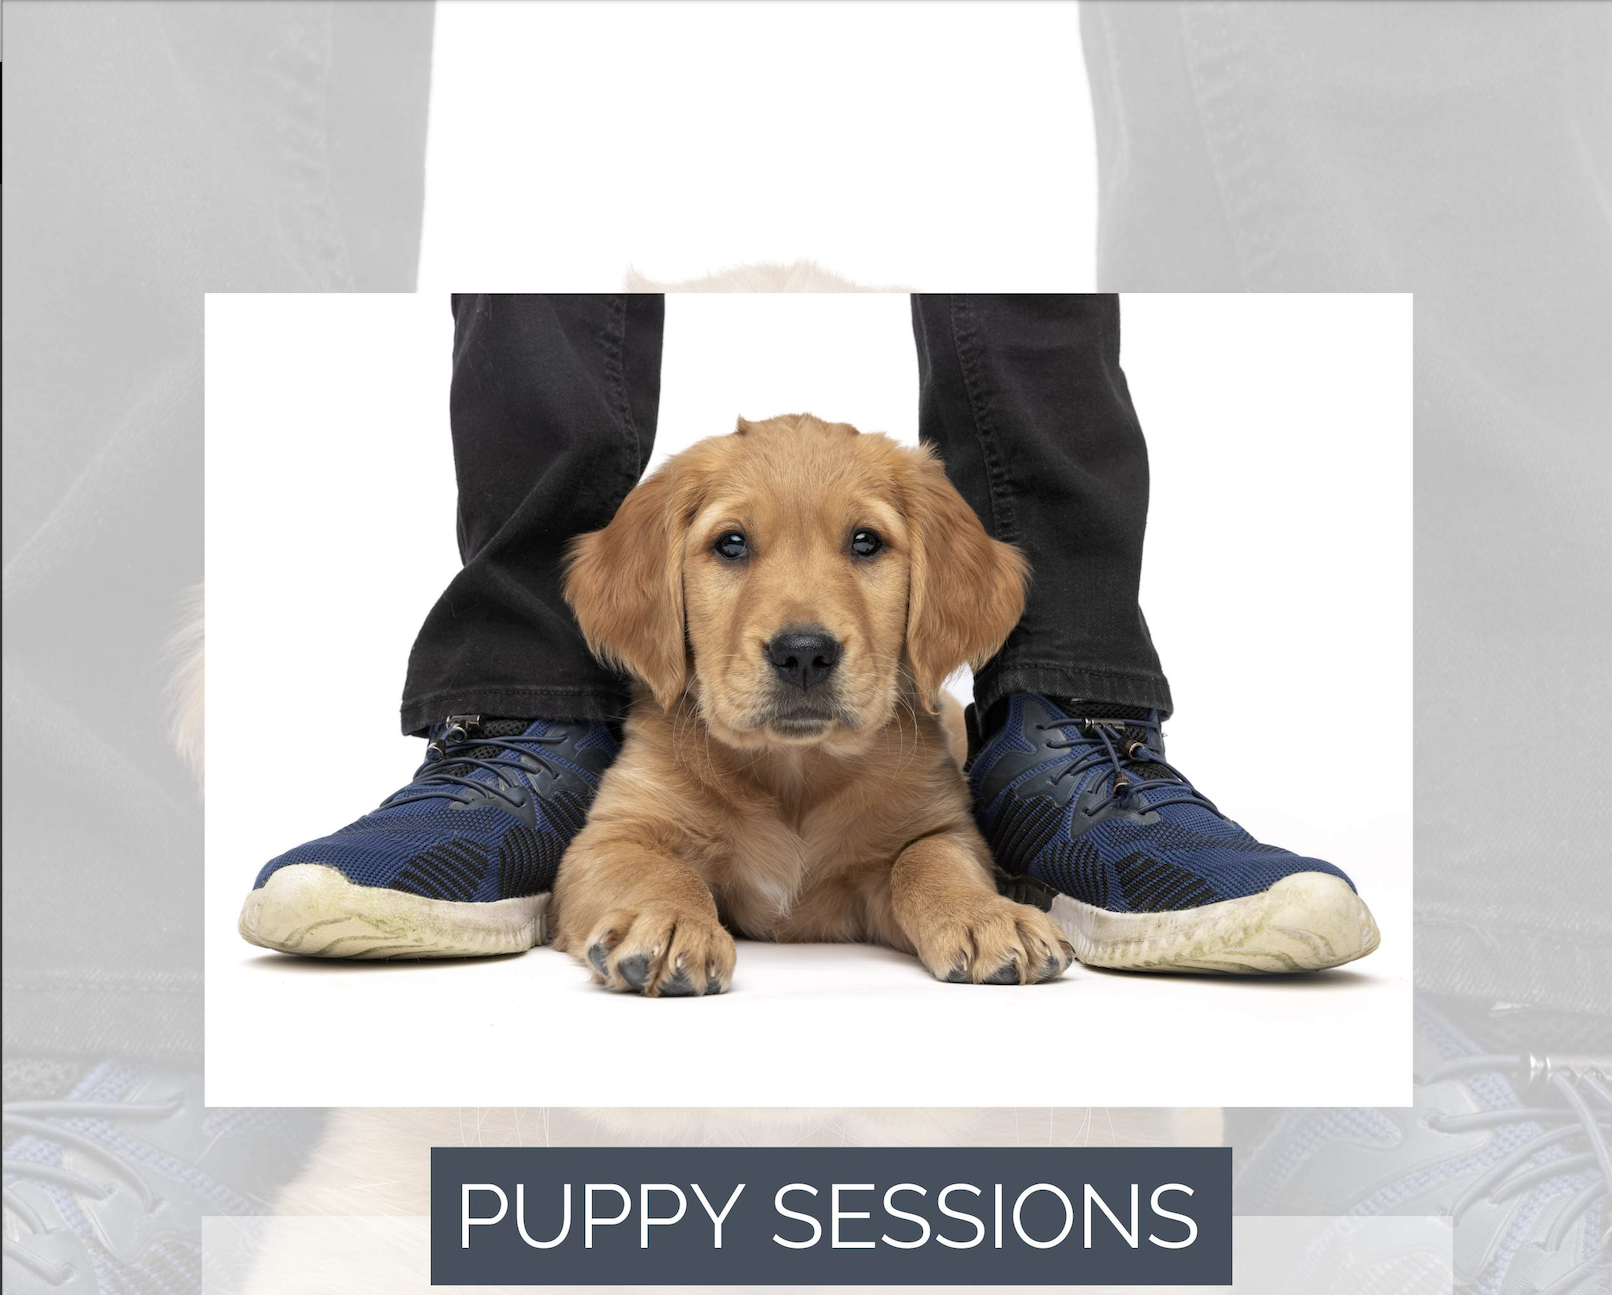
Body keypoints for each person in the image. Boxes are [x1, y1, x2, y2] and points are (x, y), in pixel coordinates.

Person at [242, 291, 1376, 975]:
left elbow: (920, 852)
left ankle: (1066, 721)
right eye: (731, 547)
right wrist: (664, 896)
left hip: (906, 756)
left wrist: (943, 899)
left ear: (936, 594)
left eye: (866, 546)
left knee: (1020, 135)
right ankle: (528, 714)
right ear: (659, 595)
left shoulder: (906, 751)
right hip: (667, 749)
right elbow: (623, 851)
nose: (802, 629)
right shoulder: (668, 738)